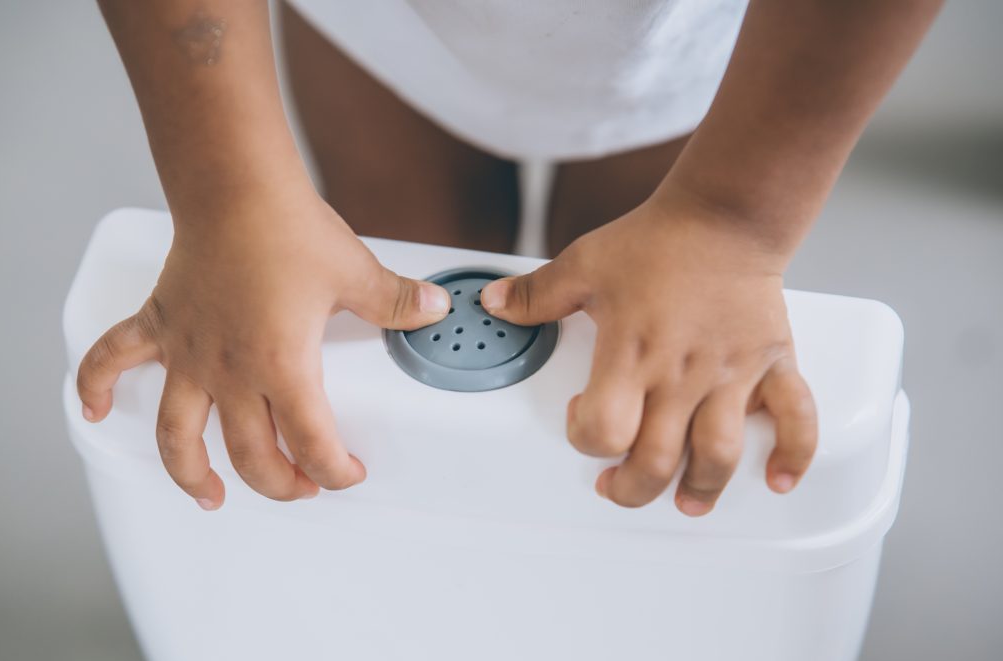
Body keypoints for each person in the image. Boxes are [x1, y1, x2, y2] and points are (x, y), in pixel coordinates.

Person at [77, 0, 941, 514]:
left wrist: (731, 219)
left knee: (621, 373)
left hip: (672, 45)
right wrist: (231, 194)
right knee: (382, 307)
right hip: (381, 28)